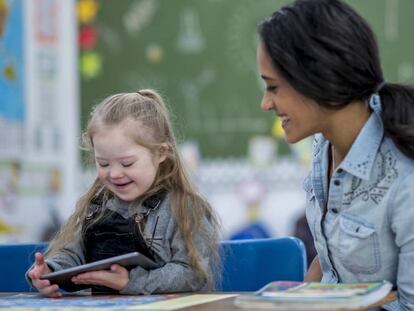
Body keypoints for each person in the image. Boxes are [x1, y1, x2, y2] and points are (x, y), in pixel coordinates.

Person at [257, 0, 414, 310]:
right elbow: (333, 264)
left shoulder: (404, 179)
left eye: (273, 87)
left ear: (316, 80)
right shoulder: (324, 147)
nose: (266, 103)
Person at [27, 90, 221, 297]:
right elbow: (74, 255)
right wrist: (51, 271)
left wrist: (133, 282)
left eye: (127, 163)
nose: (115, 173)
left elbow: (193, 274)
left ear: (161, 153)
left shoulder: (184, 208)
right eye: (103, 163)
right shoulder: (96, 207)